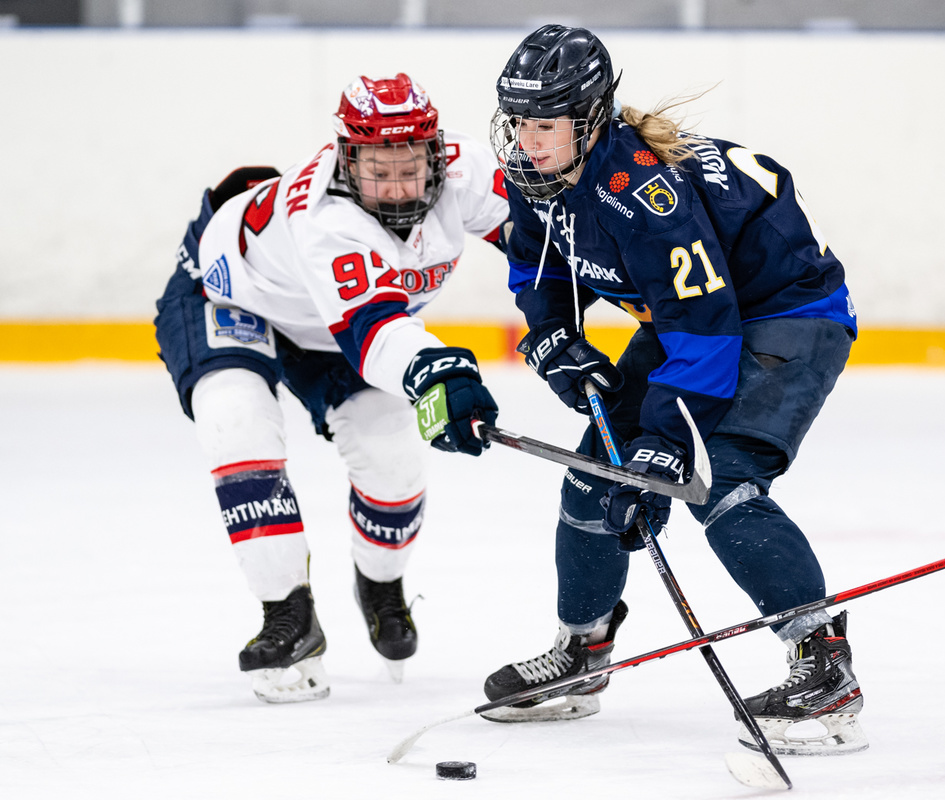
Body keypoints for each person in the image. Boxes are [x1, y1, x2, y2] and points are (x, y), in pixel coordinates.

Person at [428, 23, 864, 755]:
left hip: (788, 316)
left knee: (719, 479)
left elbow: (708, 323)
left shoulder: (643, 195)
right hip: (693, 320)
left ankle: (823, 665)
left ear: (590, 117)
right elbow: (538, 260)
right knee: (593, 481)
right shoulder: (542, 174)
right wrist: (552, 337)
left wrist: (664, 444)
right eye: (519, 122)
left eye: (544, 124)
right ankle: (582, 654)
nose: (527, 141)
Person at [153, 73, 506, 703]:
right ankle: (287, 614)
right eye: (377, 169)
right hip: (232, 298)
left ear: (437, 155)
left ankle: (380, 584)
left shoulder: (467, 173)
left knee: (392, 455)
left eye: (410, 168)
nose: (397, 188)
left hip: (330, 322)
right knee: (235, 417)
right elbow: (374, 333)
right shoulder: (321, 218)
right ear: (347, 160)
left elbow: (547, 241)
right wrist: (445, 372)